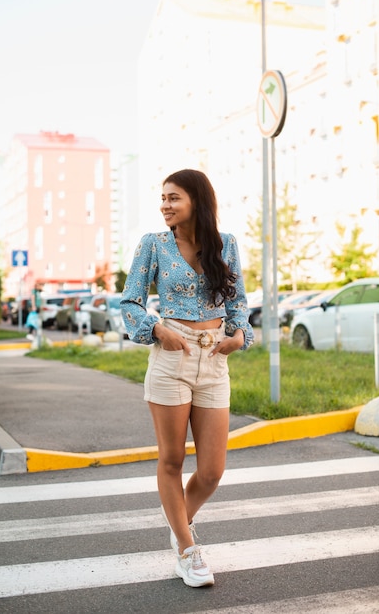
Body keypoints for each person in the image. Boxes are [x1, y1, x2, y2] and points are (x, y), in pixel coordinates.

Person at [121, 169, 254, 588]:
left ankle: (179, 522)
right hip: (171, 357)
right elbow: (130, 302)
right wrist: (157, 329)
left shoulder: (225, 244)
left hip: (214, 360)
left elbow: (239, 304)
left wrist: (238, 336)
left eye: (173, 197)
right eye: (162, 198)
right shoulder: (154, 245)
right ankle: (187, 548)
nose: (165, 205)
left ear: (197, 199)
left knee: (212, 470)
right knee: (172, 460)